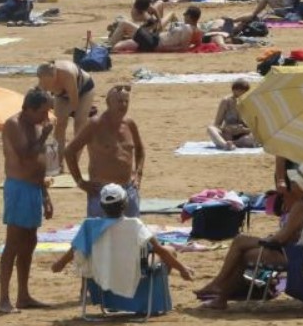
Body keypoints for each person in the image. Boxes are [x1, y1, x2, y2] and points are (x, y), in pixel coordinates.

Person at [195, 162, 303, 309]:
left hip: (294, 255)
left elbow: (282, 238)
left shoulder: (302, 206)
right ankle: (220, 294)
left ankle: (218, 286)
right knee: (243, 248)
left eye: (294, 182)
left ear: (300, 185)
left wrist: (267, 240)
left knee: (241, 244)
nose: (292, 184)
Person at [50, 184, 194, 283]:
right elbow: (160, 250)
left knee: (88, 255)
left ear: (101, 205)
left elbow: (75, 249)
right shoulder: (135, 225)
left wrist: (59, 264)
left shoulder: (90, 226)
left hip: (101, 274)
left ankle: (85, 294)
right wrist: (182, 269)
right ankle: (153, 297)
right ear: (125, 204)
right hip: (132, 274)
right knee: (169, 250)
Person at [0, 88, 55, 314]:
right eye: (43, 111)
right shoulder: (14, 124)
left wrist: (45, 195)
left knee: (29, 242)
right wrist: (43, 136)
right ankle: (3, 299)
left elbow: (39, 162)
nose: (47, 116)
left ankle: (23, 294)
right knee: (13, 243)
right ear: (29, 109)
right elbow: (24, 155)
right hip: (19, 188)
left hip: (34, 188)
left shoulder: (37, 124)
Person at [64, 85, 144, 218]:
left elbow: (140, 149)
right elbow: (69, 151)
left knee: (131, 234)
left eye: (126, 101)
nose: (123, 105)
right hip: (101, 191)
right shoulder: (95, 125)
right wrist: (79, 181)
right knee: (100, 234)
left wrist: (138, 173)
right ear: (109, 103)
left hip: (128, 188)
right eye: (119, 101)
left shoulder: (130, 124)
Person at [36, 60, 95, 170]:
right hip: (61, 95)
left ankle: (74, 163)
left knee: (79, 124)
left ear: (55, 76)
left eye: (50, 84)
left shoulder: (67, 75)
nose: (47, 87)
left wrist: (66, 114)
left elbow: (74, 103)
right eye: (45, 84)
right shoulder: (43, 81)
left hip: (83, 91)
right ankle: (58, 164)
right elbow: (42, 105)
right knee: (59, 125)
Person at [206, 80, 256, 150]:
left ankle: (233, 143)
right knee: (210, 129)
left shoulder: (252, 103)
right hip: (228, 134)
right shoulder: (226, 101)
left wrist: (244, 130)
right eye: (236, 96)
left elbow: (257, 128)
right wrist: (228, 129)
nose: (238, 98)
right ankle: (225, 144)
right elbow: (217, 124)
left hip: (244, 135)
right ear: (233, 91)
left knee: (254, 138)